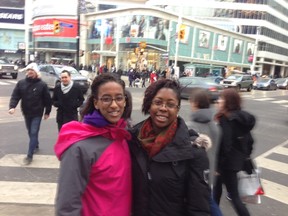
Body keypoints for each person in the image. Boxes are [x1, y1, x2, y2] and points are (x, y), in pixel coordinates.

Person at [128, 79, 210, 216]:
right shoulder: (133, 140)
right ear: (149, 105)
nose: (163, 108)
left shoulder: (193, 152)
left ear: (177, 109)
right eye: (158, 102)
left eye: (170, 104)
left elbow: (199, 208)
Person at [54, 73, 133, 216]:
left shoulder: (124, 135)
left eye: (119, 98)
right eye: (106, 99)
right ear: (96, 102)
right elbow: (67, 204)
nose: (114, 105)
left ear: (125, 100)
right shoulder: (80, 147)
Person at [213, 88, 256, 216]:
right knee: (217, 190)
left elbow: (225, 146)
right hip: (235, 162)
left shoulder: (227, 120)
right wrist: (244, 155)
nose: (218, 101)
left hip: (226, 164)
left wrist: (218, 167)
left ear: (228, 102)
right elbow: (250, 141)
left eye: (221, 99)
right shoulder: (241, 118)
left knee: (234, 197)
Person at [8, 62, 52, 165]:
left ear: (36, 73)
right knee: (30, 131)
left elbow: (47, 99)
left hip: (37, 112)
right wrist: (12, 107)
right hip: (26, 112)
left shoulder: (42, 85)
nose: (30, 73)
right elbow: (15, 96)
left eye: (32, 71)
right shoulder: (21, 83)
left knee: (33, 132)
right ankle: (35, 144)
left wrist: (47, 112)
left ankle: (29, 155)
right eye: (28, 71)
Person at [188, 89, 223, 216]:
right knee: (209, 200)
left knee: (208, 203)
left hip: (197, 175)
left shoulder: (190, 126)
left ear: (196, 103)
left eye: (191, 102)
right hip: (211, 172)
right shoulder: (215, 125)